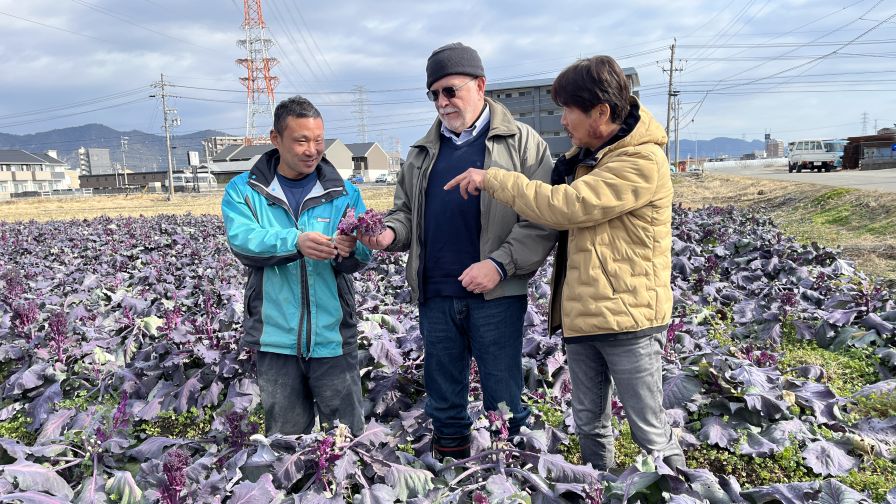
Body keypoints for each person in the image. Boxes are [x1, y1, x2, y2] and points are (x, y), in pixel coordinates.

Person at [444, 55, 686, 471]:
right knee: (590, 423)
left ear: (601, 112)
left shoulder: (640, 162)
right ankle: (601, 488)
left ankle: (678, 489)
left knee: (649, 430)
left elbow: (568, 206)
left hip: (629, 319)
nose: (563, 121)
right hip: (584, 316)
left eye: (567, 109)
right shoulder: (587, 157)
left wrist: (495, 178)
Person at [358, 42, 557, 459]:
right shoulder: (420, 153)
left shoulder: (523, 143)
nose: (442, 102)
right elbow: (405, 213)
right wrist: (388, 235)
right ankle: (453, 475)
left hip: (496, 295)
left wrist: (499, 266)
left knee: (504, 397)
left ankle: (511, 474)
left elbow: (541, 219)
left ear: (480, 85)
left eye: (450, 90)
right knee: (444, 401)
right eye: (434, 94)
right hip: (436, 294)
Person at [222, 95, 370, 436]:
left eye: (318, 140)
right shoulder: (245, 191)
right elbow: (244, 241)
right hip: (276, 339)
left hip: (333, 337)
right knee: (285, 441)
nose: (312, 149)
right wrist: (295, 242)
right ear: (276, 139)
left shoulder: (344, 193)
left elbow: (364, 255)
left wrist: (351, 248)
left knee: (347, 440)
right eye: (301, 140)